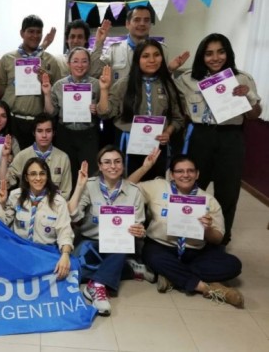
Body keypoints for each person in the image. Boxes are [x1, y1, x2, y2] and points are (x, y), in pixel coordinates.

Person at [175, 33, 262, 245]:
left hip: (230, 137)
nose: (215, 58)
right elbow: (168, 92)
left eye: (221, 52)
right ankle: (191, 235)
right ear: (201, 56)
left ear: (228, 53)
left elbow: (254, 114)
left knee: (228, 191)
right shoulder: (188, 78)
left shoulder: (242, 78)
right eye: (209, 53)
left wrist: (248, 96)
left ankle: (221, 238)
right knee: (193, 187)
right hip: (200, 136)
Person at [129, 152, 244, 308]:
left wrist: (207, 229)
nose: (185, 175)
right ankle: (207, 288)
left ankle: (170, 276)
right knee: (153, 257)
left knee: (233, 265)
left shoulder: (208, 200)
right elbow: (126, 188)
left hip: (194, 251)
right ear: (171, 174)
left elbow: (217, 239)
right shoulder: (157, 187)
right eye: (180, 171)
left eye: (190, 171)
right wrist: (145, 168)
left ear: (197, 174)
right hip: (161, 246)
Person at [67, 146, 147, 316]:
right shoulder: (89, 185)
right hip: (90, 242)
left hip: (118, 245)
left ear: (123, 165)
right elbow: (72, 215)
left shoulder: (134, 191)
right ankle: (128, 270)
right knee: (73, 273)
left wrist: (139, 230)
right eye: (107, 162)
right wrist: (79, 186)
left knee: (120, 246)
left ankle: (96, 286)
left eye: (117, 162)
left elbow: (139, 226)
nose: (113, 166)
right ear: (100, 166)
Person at [97, 39, 186, 179]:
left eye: (156, 55)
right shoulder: (124, 85)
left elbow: (178, 118)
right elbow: (105, 114)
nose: (152, 60)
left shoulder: (168, 85)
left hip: (158, 147)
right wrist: (104, 90)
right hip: (129, 146)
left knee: (155, 189)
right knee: (129, 187)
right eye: (145, 56)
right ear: (137, 60)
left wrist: (168, 132)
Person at [0, 14, 62, 149]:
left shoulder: (50, 61)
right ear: (22, 33)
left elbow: (57, 96)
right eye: (30, 31)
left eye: (38, 32)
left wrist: (45, 84)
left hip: (38, 124)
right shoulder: (8, 59)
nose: (35, 35)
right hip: (12, 121)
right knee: (12, 163)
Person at [0, 157, 74, 280]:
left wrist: (65, 255)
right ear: (26, 177)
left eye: (42, 174)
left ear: (47, 176)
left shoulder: (58, 201)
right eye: (33, 174)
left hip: (46, 252)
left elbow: (64, 231)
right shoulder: (15, 196)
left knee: (71, 267)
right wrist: (1, 204)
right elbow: (2, 225)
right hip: (20, 250)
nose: (38, 178)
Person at [43, 46, 102, 186]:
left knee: (89, 174)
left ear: (89, 64)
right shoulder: (59, 85)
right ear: (69, 64)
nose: (80, 65)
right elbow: (51, 112)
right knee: (67, 173)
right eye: (75, 61)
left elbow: (104, 110)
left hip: (88, 135)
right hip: (65, 134)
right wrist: (46, 93)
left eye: (84, 61)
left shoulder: (96, 84)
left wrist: (97, 109)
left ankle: (86, 204)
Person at [89, 6, 189, 81]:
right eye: (137, 20)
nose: (142, 23)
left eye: (146, 20)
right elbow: (94, 73)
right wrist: (99, 43)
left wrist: (170, 70)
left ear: (150, 24)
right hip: (121, 106)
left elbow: (166, 85)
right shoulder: (114, 49)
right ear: (127, 24)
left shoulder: (162, 50)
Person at [0, 113, 72, 200]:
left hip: (53, 207)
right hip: (27, 206)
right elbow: (4, 183)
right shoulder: (22, 156)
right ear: (34, 133)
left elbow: (65, 193)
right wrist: (4, 157)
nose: (44, 135)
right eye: (39, 131)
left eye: (48, 131)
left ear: (53, 133)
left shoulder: (63, 158)